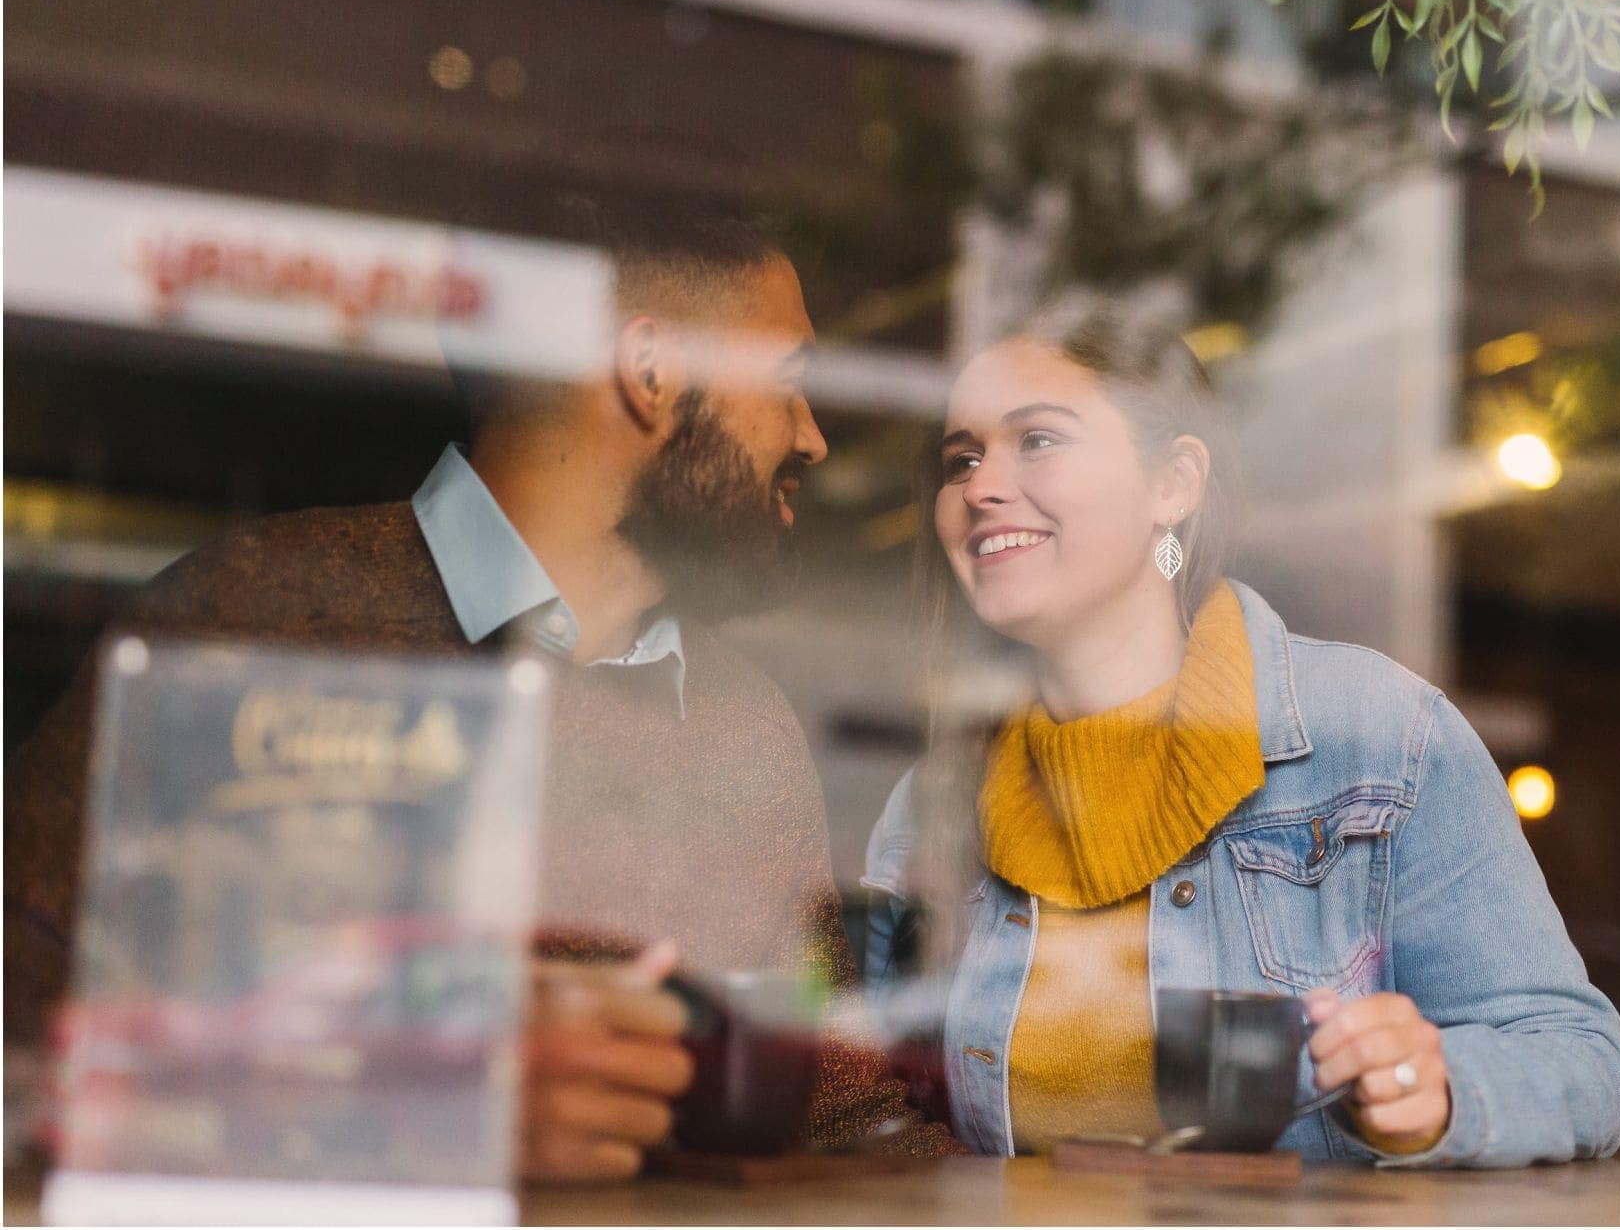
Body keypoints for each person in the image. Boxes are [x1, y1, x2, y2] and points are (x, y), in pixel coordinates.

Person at [5, 203, 956, 1179]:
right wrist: (410, 1111)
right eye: (789, 384)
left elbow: (845, 1118)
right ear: (653, 373)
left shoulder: (746, 722)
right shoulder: (247, 620)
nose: (813, 438)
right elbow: (20, 1052)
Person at [860, 306, 1620, 1165]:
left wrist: (1435, 1088)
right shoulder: (929, 804)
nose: (979, 486)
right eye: (960, 458)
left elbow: (1579, 1060)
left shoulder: (1381, 738)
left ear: (1174, 485)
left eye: (1037, 440)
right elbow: (855, 1105)